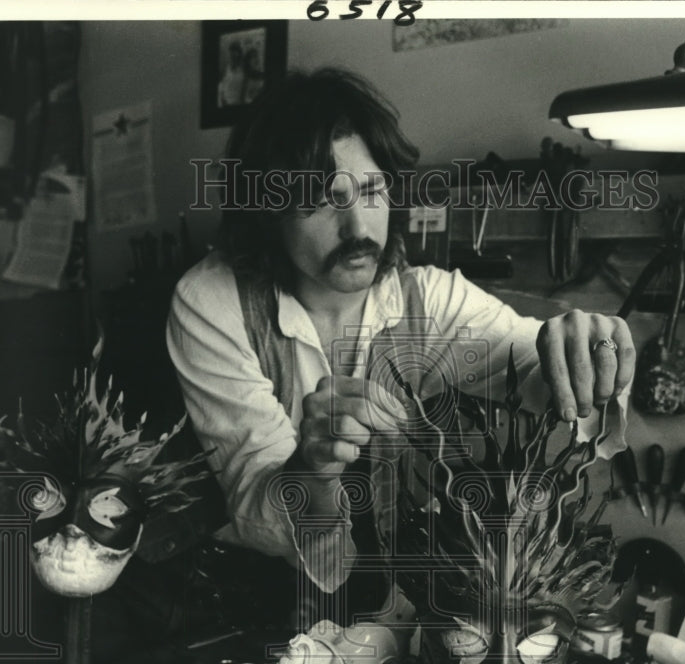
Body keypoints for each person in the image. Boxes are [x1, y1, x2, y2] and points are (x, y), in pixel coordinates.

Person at [167, 68, 634, 623]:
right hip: (245, 597)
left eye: (371, 191)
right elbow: (254, 512)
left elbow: (533, 368)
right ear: (267, 213)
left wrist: (578, 349)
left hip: (388, 594)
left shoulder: (429, 299)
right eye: (320, 201)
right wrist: (312, 469)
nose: (358, 227)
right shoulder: (213, 302)